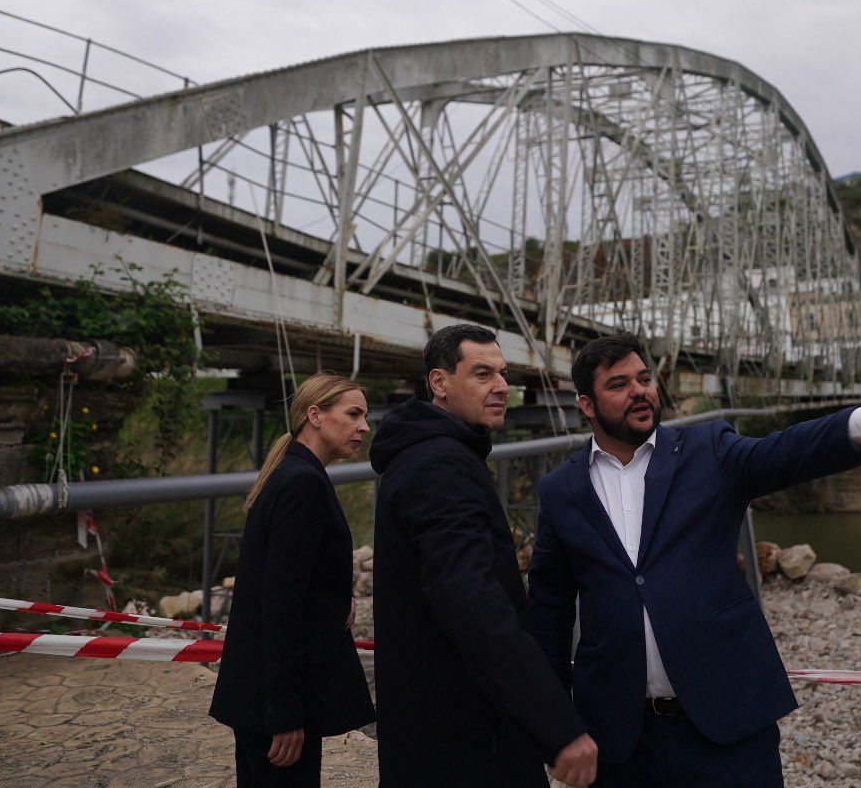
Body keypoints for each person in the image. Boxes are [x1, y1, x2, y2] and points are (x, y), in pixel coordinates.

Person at [527, 333, 861, 786]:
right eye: (619, 384)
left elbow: (783, 452)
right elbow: (548, 617)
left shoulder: (709, 449)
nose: (639, 391)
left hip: (726, 723)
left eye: (644, 379)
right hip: (620, 740)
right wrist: (557, 728)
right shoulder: (560, 490)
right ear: (587, 406)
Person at [370, 323, 600, 787]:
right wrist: (555, 724)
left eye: (503, 373)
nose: (501, 387)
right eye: (481, 374)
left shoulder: (429, 453)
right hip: (464, 741)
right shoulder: (442, 466)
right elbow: (472, 601)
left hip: (436, 729)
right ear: (439, 383)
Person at [209, 371, 376, 786]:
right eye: (353, 414)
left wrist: (339, 599)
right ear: (314, 415)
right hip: (274, 706)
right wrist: (284, 713)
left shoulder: (291, 473)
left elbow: (286, 582)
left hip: (258, 694)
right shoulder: (303, 483)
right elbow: (280, 604)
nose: (365, 427)